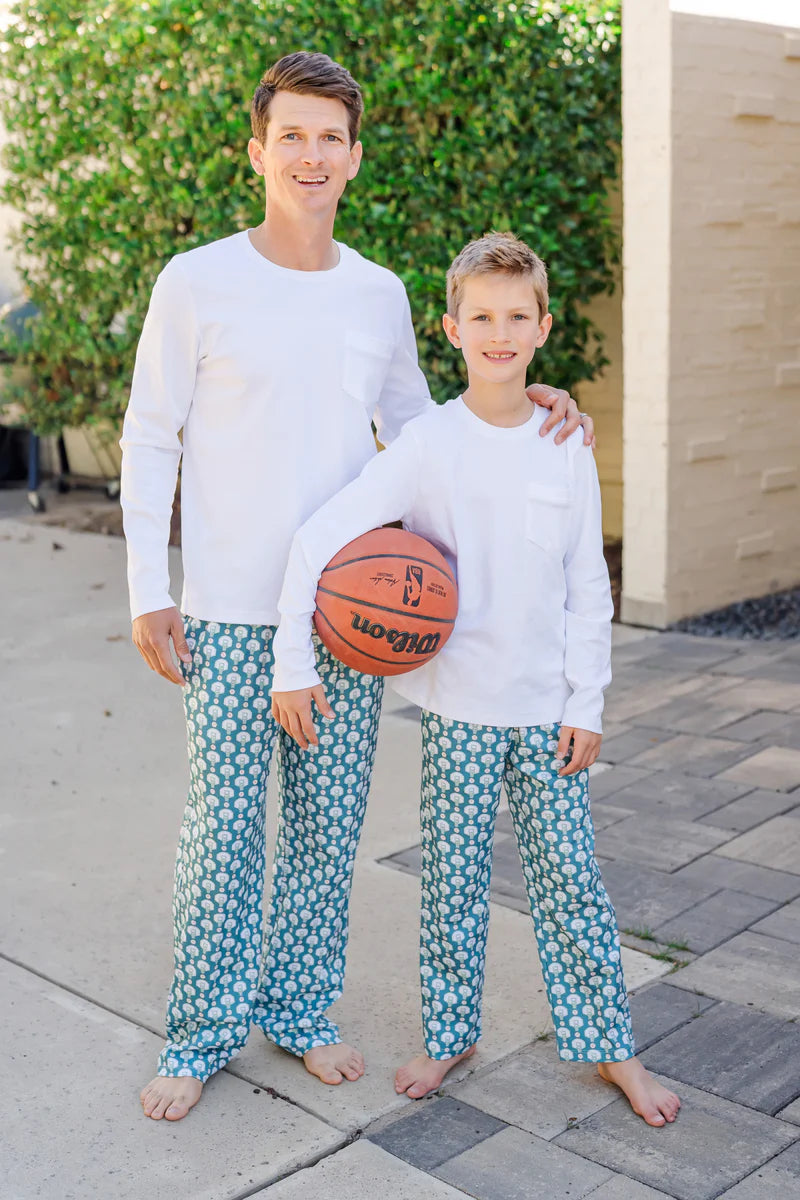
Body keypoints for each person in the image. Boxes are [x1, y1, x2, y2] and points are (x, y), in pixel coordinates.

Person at [121, 54, 592, 1123]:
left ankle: (297, 1012)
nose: (310, 154)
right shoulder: (196, 281)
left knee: (327, 836)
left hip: (349, 614)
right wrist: (150, 588)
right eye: (291, 134)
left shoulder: (377, 294)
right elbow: (151, 438)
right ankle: (199, 1032)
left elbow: (432, 433)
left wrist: (531, 392)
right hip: (232, 615)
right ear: (258, 150)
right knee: (224, 831)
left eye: (329, 137)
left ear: (354, 157)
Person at [271, 232, 682, 1127]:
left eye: (517, 316)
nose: (500, 332)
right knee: (451, 884)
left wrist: (589, 702)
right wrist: (292, 663)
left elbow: (586, 583)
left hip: (545, 715)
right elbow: (317, 541)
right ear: (451, 328)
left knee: (571, 885)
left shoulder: (565, 442)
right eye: (481, 316)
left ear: (542, 327)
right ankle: (450, 1032)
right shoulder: (427, 446)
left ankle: (613, 1050)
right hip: (456, 714)